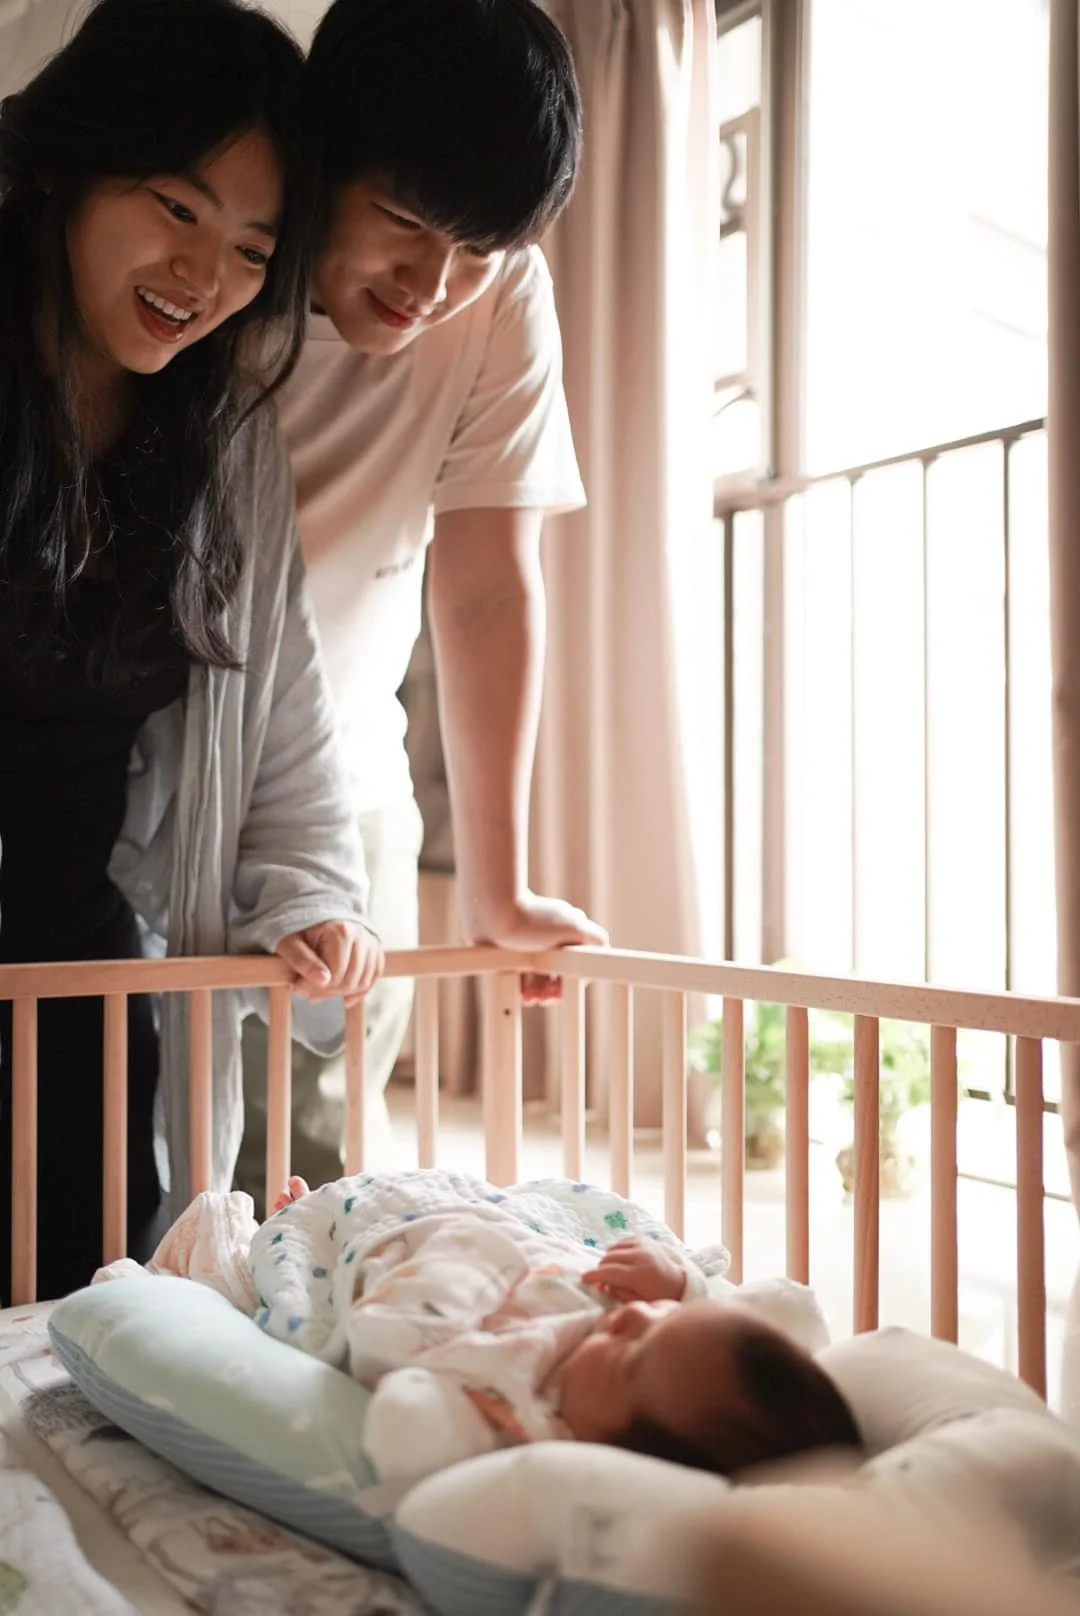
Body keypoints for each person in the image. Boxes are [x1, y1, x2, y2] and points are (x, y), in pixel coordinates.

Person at [0, 0, 382, 1301]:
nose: (205, 275)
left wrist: (315, 898)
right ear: (66, 164)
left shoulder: (224, 454)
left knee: (71, 1336)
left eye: (251, 248)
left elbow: (284, 718)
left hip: (85, 998)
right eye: (176, 208)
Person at [237, 0, 609, 1207]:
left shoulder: (501, 300)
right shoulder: (213, 256)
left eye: (475, 247)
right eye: (402, 224)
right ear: (321, 154)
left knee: (315, 1186)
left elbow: (492, 580)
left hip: (346, 792)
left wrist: (497, 883)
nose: (432, 284)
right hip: (139, 776)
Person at [117, 1169, 862, 1486]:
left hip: (416, 1264)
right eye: (659, 1323)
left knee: (234, 1255)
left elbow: (398, 1344)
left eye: (631, 1356)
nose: (633, 1318)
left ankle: (230, 1259)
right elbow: (689, 1315)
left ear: (610, 1443)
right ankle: (333, 1218)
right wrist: (680, 1286)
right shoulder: (652, 1330)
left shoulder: (522, 1404)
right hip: (495, 1225)